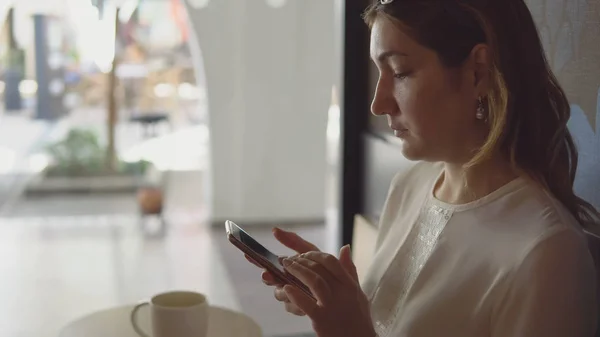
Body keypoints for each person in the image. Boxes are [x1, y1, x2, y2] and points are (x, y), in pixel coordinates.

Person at [247, 0, 600, 336]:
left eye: (399, 72)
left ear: (478, 73)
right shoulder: (410, 185)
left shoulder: (547, 255)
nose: (377, 103)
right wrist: (342, 301)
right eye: (378, 72)